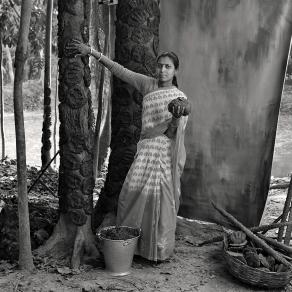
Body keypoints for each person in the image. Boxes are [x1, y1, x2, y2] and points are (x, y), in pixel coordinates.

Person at [66, 39, 191, 261]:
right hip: (144, 152)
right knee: (130, 196)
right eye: (160, 65)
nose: (162, 70)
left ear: (175, 70)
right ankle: (132, 246)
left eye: (168, 66)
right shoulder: (148, 85)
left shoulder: (180, 99)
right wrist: (91, 52)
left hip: (163, 155)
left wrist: (175, 117)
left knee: (160, 201)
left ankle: (157, 250)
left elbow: (173, 135)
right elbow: (119, 70)